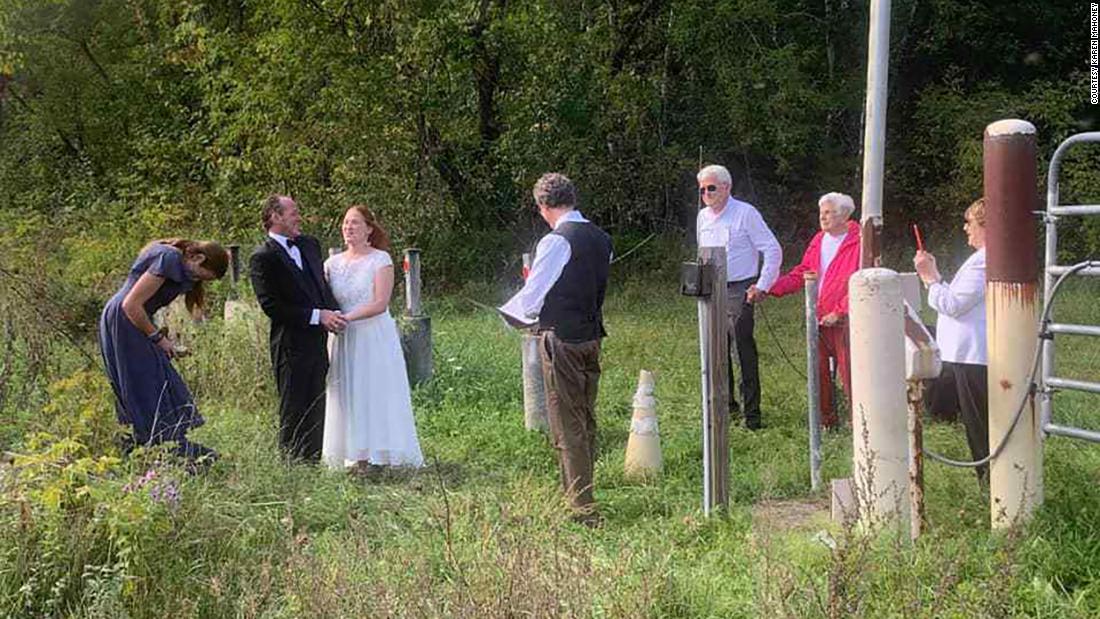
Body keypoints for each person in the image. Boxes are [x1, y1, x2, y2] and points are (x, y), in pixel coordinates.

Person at [499, 173, 612, 525]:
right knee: (585, 417)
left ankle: (581, 506)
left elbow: (533, 296)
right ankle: (580, 491)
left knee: (568, 423)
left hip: (562, 338)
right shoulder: (602, 238)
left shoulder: (556, 241)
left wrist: (508, 316)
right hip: (591, 336)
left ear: (543, 206)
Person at [98, 239, 229, 462]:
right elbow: (131, 305)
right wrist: (158, 339)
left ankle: (155, 446)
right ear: (197, 258)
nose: (196, 280)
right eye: (200, 275)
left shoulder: (180, 264)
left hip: (134, 321)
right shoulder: (168, 257)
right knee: (142, 382)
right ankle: (151, 447)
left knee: (153, 378)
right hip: (124, 320)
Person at [321, 205, 424, 471]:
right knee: (346, 392)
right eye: (345, 223)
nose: (348, 228)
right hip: (342, 336)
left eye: (355, 223)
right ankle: (353, 453)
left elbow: (380, 302)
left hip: (372, 334)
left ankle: (377, 453)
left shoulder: (381, 260)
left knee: (373, 391)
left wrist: (348, 318)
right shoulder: (331, 264)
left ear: (369, 228)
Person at [250, 195, 346, 462]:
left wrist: (335, 313)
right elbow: (272, 307)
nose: (298, 216)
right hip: (289, 343)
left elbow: (320, 286)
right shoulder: (263, 257)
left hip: (318, 340)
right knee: (293, 403)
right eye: (293, 212)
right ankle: (291, 463)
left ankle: (314, 459)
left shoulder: (310, 245)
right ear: (275, 216)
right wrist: (318, 316)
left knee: (318, 399)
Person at [695, 164, 782, 430]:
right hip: (712, 288)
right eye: (702, 190)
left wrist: (762, 285)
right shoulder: (702, 217)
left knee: (741, 351)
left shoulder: (746, 213)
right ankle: (725, 408)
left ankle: (752, 416)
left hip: (739, 288)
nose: (706, 194)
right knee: (715, 351)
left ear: (726, 187)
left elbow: (773, 249)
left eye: (711, 188)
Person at [769, 192, 861, 428]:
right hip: (819, 318)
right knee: (818, 371)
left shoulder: (860, 241)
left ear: (845, 215)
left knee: (852, 373)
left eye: (829, 212)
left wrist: (840, 311)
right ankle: (826, 421)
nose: (823, 217)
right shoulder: (819, 239)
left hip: (846, 320)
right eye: (822, 212)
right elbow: (803, 272)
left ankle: (859, 422)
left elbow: (862, 281)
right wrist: (771, 287)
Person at [914, 198, 989, 481]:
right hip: (966, 354)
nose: (965, 228)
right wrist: (933, 277)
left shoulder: (984, 260)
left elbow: (954, 305)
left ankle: (991, 482)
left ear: (986, 225)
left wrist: (930, 278)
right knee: (973, 423)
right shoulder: (982, 258)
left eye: (969, 222)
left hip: (973, 356)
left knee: (980, 425)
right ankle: (989, 481)